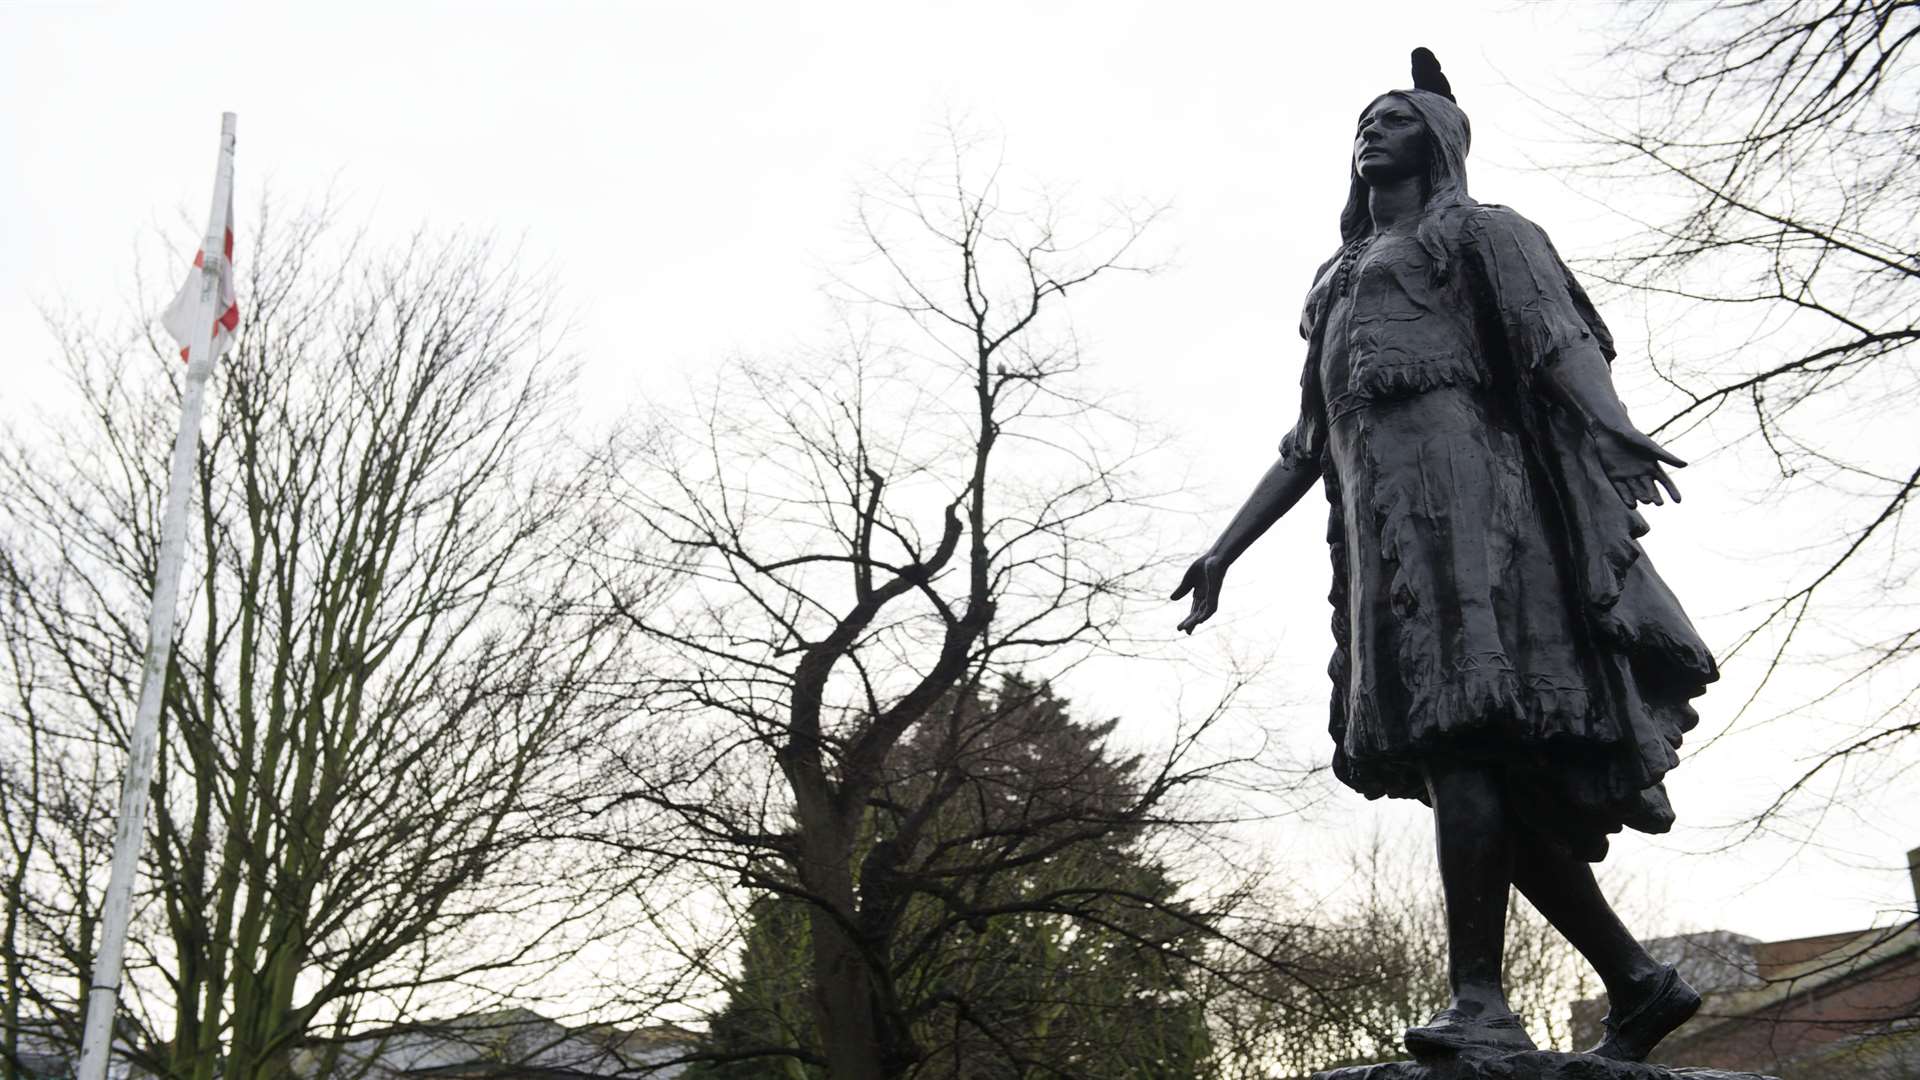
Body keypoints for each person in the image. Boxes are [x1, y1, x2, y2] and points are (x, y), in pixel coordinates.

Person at [1172, 50, 1719, 1062]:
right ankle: (1639, 984)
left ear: (1442, 141)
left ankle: (1482, 1002)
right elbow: (1305, 442)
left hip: (1476, 509)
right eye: (1365, 122)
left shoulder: (1480, 233)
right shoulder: (1334, 278)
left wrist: (1610, 425)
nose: (1372, 131)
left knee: (1465, 732)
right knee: (1454, 756)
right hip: (1383, 532)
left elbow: (1556, 338)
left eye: (1398, 118)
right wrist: (1225, 548)